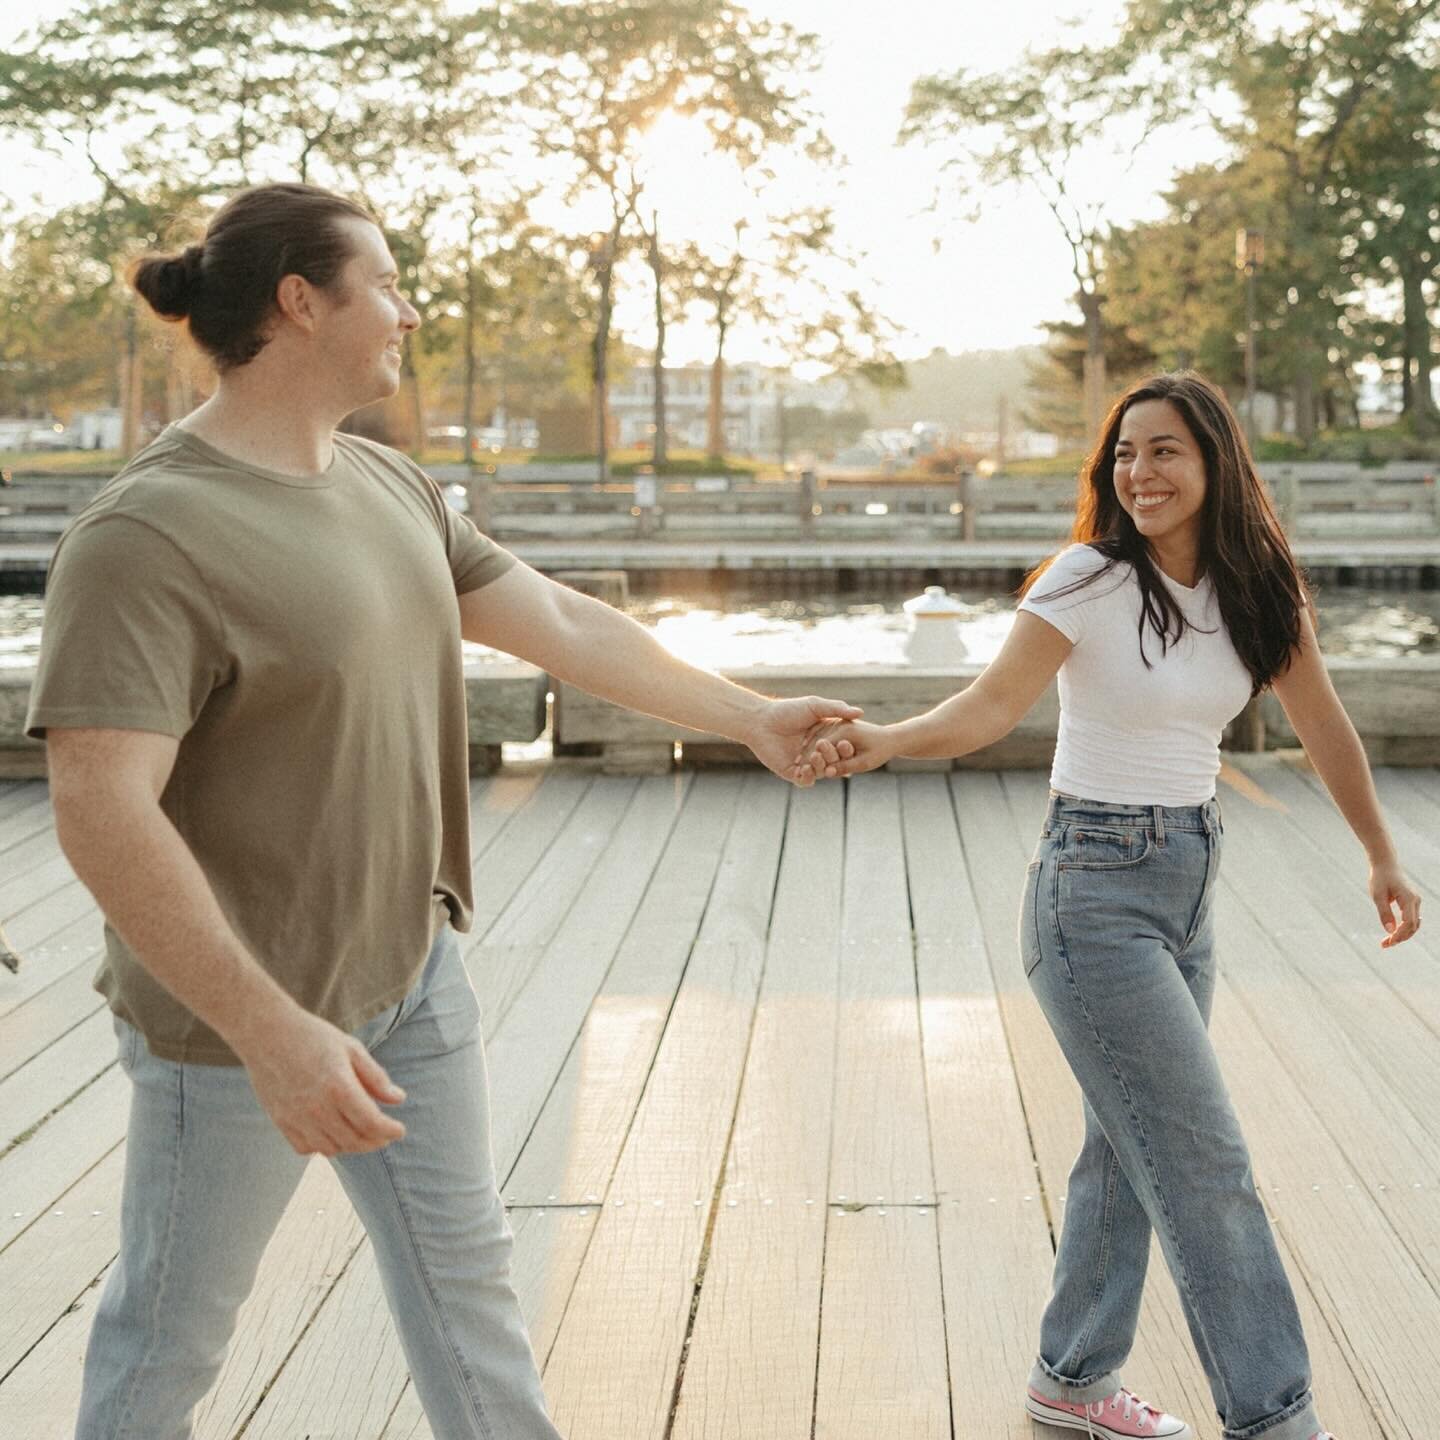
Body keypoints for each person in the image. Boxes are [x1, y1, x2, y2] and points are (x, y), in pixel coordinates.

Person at [27, 181, 861, 1440]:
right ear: (303, 304)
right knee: (169, 1345)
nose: (413, 313)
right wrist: (271, 1031)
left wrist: (746, 714)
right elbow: (100, 809)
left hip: (410, 979)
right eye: (391, 284)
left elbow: (568, 622)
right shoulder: (146, 535)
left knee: (468, 1287)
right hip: (237, 1027)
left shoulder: (389, 486)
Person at [801, 372, 1421, 1440]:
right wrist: (891, 741)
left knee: (1126, 1148)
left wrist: (1380, 853)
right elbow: (990, 707)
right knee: (1203, 1162)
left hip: (1189, 889)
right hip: (1088, 896)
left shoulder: (1261, 588)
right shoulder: (1088, 577)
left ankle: (1071, 1382)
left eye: (1166, 450)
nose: (1141, 473)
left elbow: (1327, 729)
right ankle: (1279, 1422)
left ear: (1217, 462)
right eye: (1126, 454)